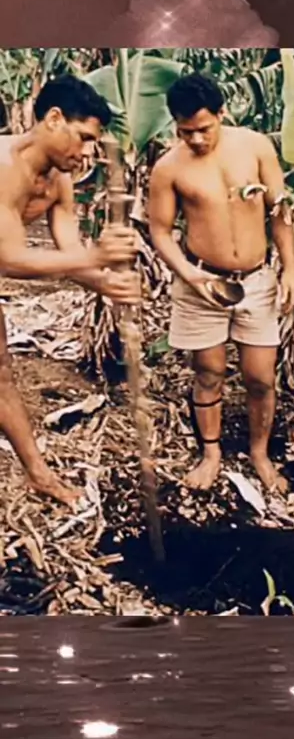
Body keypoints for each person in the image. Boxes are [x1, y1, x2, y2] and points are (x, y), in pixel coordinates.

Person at [149, 72, 294, 493]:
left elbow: (280, 211)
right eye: (186, 132)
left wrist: (291, 268)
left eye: (204, 128)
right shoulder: (168, 168)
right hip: (201, 281)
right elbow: (160, 230)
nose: (196, 139)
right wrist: (188, 273)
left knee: (261, 377)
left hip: (257, 279)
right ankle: (211, 453)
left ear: (222, 113)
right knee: (209, 371)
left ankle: (260, 453)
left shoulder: (255, 147)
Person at [0, 74, 140, 508]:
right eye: (83, 138)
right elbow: (8, 259)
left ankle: (39, 476)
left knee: (0, 376)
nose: (86, 153)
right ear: (54, 119)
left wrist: (107, 283)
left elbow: (70, 254)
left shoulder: (58, 177)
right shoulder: (4, 167)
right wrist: (97, 257)